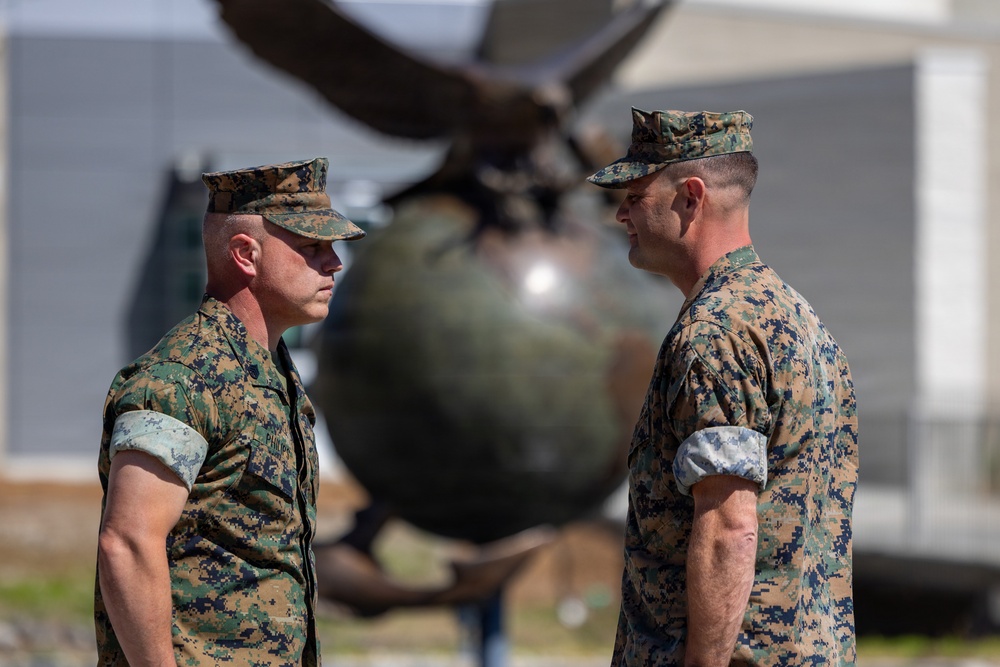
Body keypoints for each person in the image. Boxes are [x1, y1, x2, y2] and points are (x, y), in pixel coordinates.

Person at [587, 109, 858, 666]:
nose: (619, 215)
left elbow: (729, 526)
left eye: (635, 196)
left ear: (690, 196)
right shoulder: (793, 313)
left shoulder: (716, 332)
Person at [94, 157, 365, 666]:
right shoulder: (180, 380)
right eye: (311, 248)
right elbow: (128, 542)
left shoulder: (272, 372)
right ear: (246, 254)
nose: (333, 263)